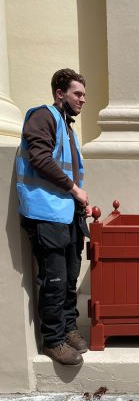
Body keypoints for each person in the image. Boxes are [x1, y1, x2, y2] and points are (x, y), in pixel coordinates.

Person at [16, 68, 92, 365]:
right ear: (60, 93)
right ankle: (53, 339)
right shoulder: (43, 116)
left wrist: (78, 199)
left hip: (66, 214)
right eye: (78, 94)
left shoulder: (66, 127)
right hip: (46, 214)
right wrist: (74, 189)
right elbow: (40, 159)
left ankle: (69, 327)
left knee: (70, 275)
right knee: (54, 279)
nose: (83, 100)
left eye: (84, 94)